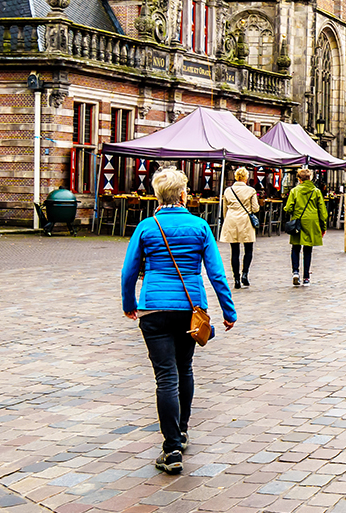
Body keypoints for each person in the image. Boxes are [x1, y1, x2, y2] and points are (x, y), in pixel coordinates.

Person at [121, 168, 236, 475]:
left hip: (155, 309)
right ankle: (182, 432)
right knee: (184, 368)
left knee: (165, 377)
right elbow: (216, 273)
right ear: (184, 195)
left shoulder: (147, 227)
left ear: (158, 196)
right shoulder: (200, 226)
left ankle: (171, 448)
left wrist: (129, 303)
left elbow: (129, 271)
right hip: (189, 307)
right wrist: (228, 311)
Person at [219, 167, 260, 289]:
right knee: (248, 249)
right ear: (246, 178)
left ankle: (236, 278)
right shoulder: (251, 191)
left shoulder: (228, 190)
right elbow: (255, 208)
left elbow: (225, 209)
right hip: (245, 221)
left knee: (234, 251)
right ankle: (245, 274)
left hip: (232, 220)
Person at [286, 168, 327, 286]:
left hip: (298, 221)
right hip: (311, 222)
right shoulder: (316, 191)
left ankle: (295, 272)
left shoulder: (294, 191)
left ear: (299, 179)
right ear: (310, 178)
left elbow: (288, 208)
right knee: (308, 249)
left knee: (295, 247)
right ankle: (306, 278)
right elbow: (322, 211)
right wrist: (323, 227)